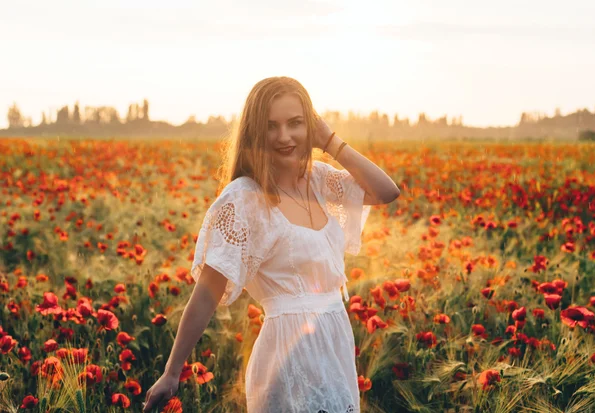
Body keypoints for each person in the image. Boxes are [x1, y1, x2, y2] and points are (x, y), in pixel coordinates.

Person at [142, 76, 401, 412]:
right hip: (286, 356)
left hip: (334, 348)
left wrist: (331, 141)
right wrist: (171, 372)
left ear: (311, 124)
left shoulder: (320, 180)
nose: (284, 137)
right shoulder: (243, 200)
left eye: (295, 123)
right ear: (254, 133)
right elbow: (206, 292)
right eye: (271, 126)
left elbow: (387, 191)